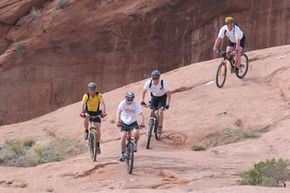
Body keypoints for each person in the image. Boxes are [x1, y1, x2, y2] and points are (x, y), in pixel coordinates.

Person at [116, 92, 145, 161]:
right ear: (126, 98)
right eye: (128, 99)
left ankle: (135, 142)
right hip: (124, 122)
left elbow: (141, 114)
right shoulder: (122, 103)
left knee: (137, 132)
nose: (130, 101)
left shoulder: (136, 104)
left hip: (133, 122)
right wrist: (118, 121)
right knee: (123, 136)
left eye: (131, 99)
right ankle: (123, 153)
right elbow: (119, 112)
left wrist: (142, 122)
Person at [80, 82, 106, 154]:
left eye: (93, 89)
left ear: (95, 89)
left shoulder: (99, 95)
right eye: (90, 89)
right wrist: (82, 112)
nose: (92, 91)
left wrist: (103, 113)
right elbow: (83, 103)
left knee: (98, 128)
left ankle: (97, 145)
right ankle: (86, 131)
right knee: (86, 118)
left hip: (96, 112)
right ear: (88, 89)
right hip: (88, 111)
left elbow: (103, 104)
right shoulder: (86, 95)